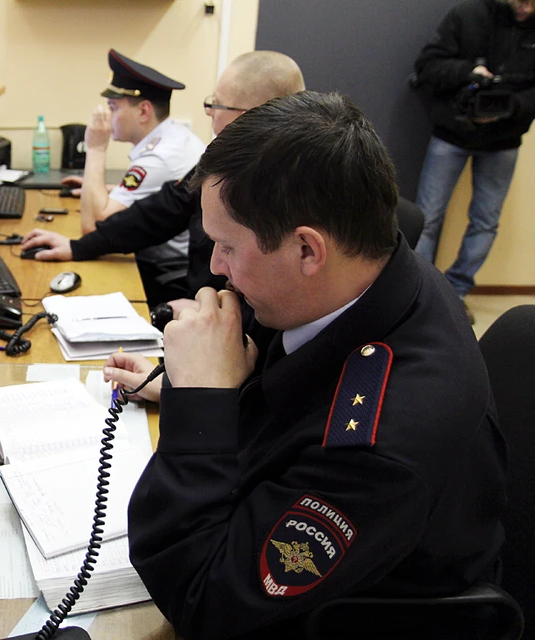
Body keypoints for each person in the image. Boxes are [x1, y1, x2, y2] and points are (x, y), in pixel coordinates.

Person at [108, 92, 507, 639]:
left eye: (226, 246)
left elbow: (200, 599)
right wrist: (205, 383)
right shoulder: (374, 268)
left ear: (307, 251)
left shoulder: (376, 446)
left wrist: (203, 404)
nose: (216, 269)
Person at [20, 51, 305, 307]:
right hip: (204, 307)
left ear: (251, 116)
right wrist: (77, 248)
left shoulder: (290, 183)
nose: (209, 113)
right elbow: (161, 211)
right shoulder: (230, 160)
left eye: (216, 105)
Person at [412, 0, 535, 323]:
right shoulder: (467, 15)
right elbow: (427, 66)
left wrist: (511, 105)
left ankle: (455, 294)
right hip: (451, 133)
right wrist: (469, 74)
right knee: (426, 218)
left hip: (505, 140)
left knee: (485, 222)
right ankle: (418, 294)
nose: (526, 9)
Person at [63, 49, 206, 305]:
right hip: (161, 257)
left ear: (143, 112)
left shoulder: (158, 158)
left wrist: (95, 148)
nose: (107, 117)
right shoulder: (174, 138)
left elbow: (94, 226)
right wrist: (100, 188)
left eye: (113, 107)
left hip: (160, 270)